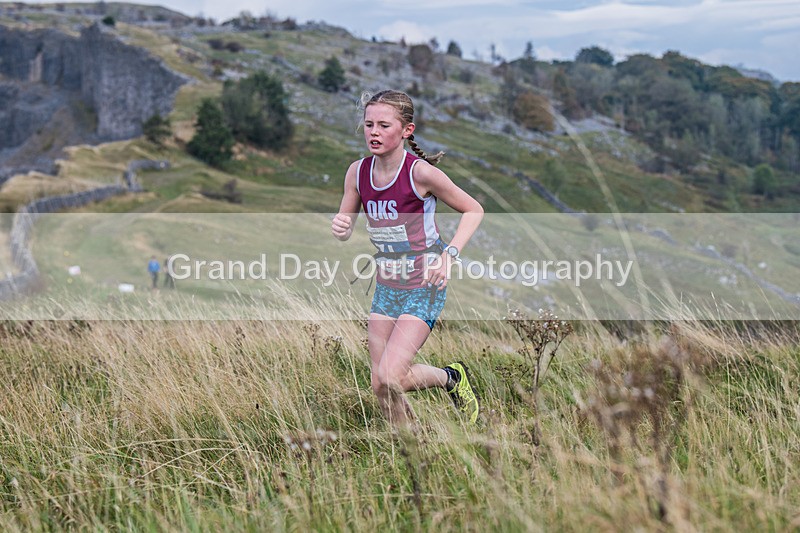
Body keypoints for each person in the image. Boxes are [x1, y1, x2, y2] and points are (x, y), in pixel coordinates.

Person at [332, 90, 484, 426]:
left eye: (384, 125)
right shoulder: (357, 173)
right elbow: (344, 228)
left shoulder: (421, 174)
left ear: (406, 130)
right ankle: (412, 453)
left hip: (423, 283)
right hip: (387, 284)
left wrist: (447, 257)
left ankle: (451, 378)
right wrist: (341, 226)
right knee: (381, 385)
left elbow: (474, 210)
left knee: (389, 376)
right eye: (369, 124)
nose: (373, 131)